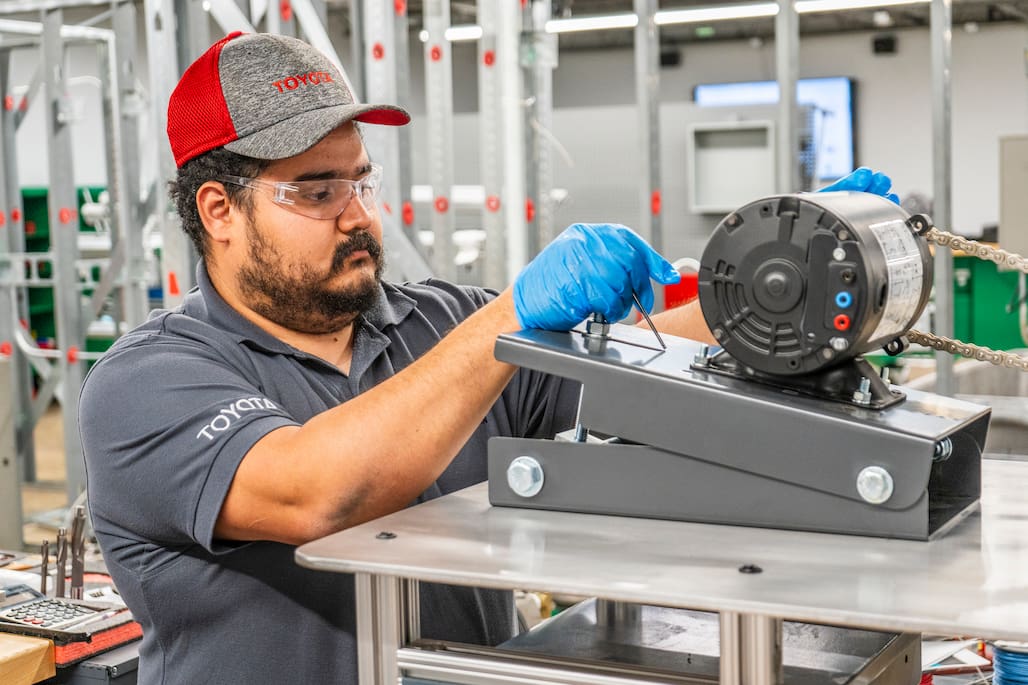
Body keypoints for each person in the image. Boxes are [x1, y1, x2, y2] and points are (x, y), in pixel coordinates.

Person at [78, 32, 898, 684]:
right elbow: (318, 494)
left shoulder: (439, 322)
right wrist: (508, 317)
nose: (358, 214)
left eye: (362, 181)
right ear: (219, 209)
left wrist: (780, 286)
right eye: (318, 191)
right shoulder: (148, 381)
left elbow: (653, 360)